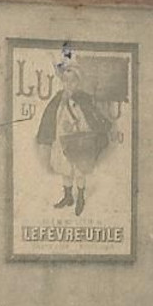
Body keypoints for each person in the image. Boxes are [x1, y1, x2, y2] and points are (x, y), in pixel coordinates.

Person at [36, 61, 114, 217]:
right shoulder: (59, 98)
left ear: (78, 82)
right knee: (64, 168)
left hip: (78, 139)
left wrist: (75, 126)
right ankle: (68, 197)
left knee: (79, 169)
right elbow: (52, 116)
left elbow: (88, 119)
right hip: (61, 138)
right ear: (62, 82)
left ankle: (81, 199)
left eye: (72, 81)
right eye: (65, 80)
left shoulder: (83, 98)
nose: (69, 84)